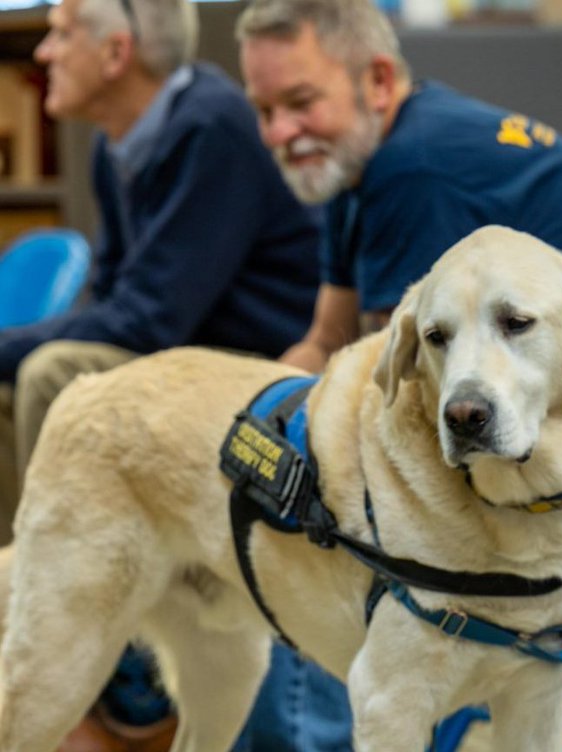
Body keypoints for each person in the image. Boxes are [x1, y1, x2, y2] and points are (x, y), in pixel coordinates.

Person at [232, 0, 562, 746]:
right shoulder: (362, 162)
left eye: (300, 102)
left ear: (378, 80)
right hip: (499, 442)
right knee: (265, 475)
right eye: (264, 110)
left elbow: (379, 416)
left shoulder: (418, 170)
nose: (281, 132)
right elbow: (327, 343)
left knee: (315, 525)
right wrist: (235, 423)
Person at [0, 0, 321, 748]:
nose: (46, 50)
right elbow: (113, 299)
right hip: (183, 362)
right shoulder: (121, 143)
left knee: (57, 375)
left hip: (260, 375)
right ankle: (38, 620)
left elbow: (147, 320)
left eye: (63, 30)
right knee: (34, 372)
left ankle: (87, 644)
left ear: (116, 54)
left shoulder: (207, 125)